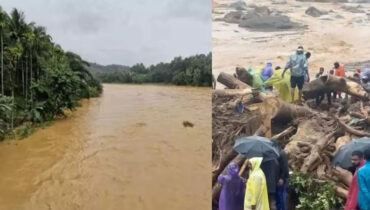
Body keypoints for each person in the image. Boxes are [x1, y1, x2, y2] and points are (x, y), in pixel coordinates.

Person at [275, 144, 289, 210]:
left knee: (281, 196)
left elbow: (285, 167)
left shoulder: (281, 153)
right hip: (278, 179)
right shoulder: (278, 153)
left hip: (282, 179)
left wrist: (282, 178)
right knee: (278, 196)